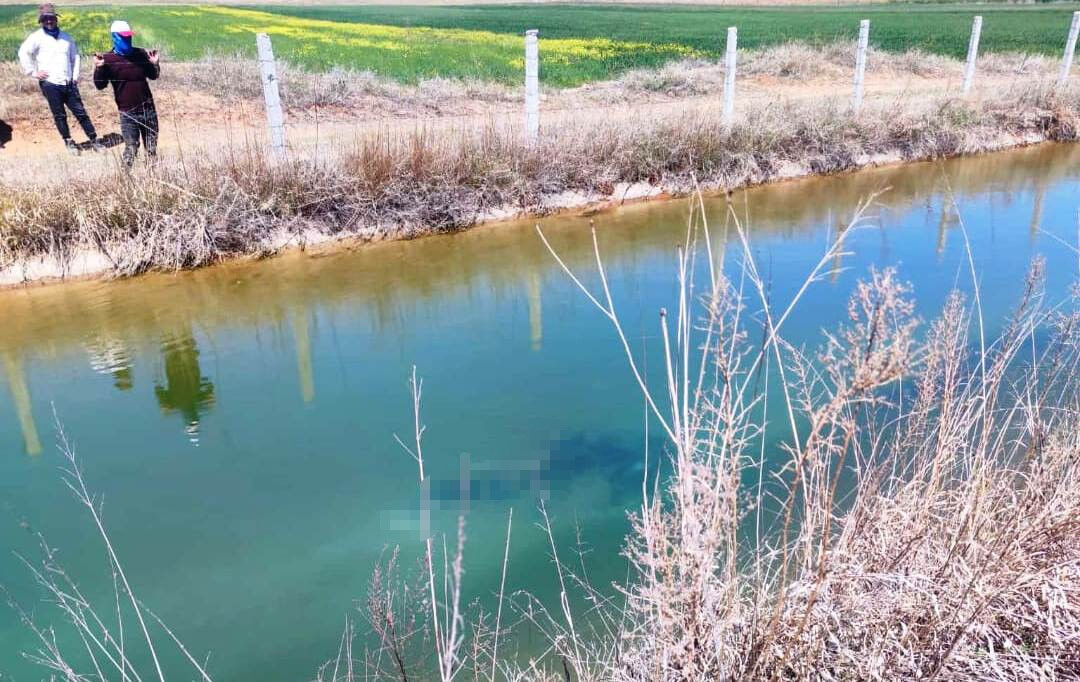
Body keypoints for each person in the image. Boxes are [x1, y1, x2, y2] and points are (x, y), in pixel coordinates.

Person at [17, 3, 99, 155]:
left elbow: (75, 57)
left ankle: (94, 140)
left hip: (69, 83)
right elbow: (23, 53)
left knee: (81, 112)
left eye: (51, 18)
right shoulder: (36, 37)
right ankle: (69, 141)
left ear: (56, 19)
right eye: (45, 19)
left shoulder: (66, 38)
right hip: (50, 83)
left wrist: (74, 77)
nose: (49, 21)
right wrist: (33, 72)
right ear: (41, 20)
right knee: (59, 115)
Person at [93, 20, 159, 167]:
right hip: (128, 113)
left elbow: (153, 76)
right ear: (115, 37)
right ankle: (126, 180)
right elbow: (100, 85)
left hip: (149, 110)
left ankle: (153, 178)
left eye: (129, 37)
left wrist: (155, 64)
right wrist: (99, 68)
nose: (127, 39)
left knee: (151, 149)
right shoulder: (107, 60)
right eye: (124, 37)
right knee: (131, 148)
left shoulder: (140, 54)